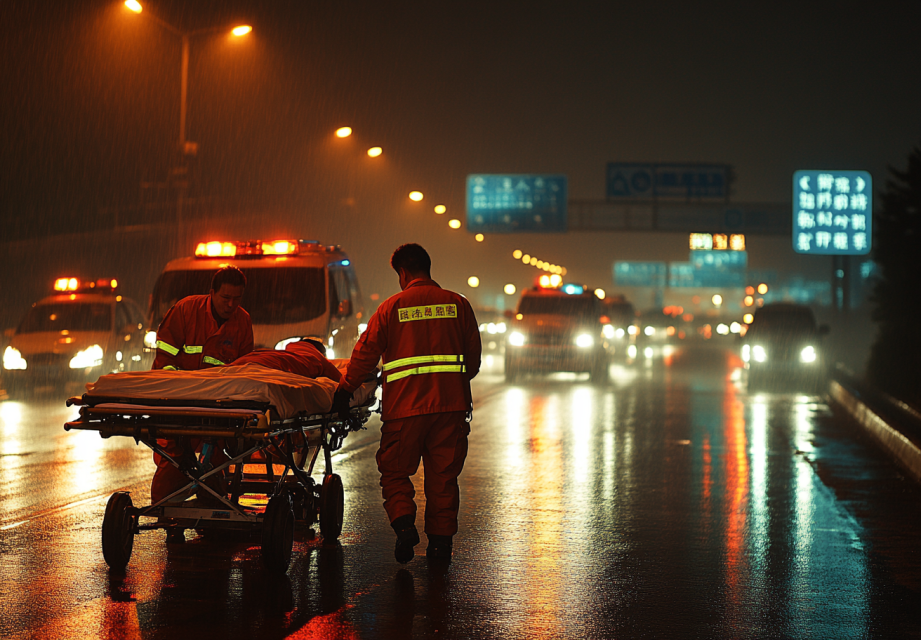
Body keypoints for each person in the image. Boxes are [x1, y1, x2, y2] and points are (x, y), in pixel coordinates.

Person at [332, 243, 481, 563]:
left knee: (395, 471)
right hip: (450, 409)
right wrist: (449, 386)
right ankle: (441, 546)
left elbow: (365, 355)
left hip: (405, 411)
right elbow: (473, 362)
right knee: (443, 479)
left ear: (403, 273)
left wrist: (345, 389)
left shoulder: (391, 308)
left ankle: (404, 527)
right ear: (428, 267)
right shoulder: (458, 304)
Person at [150, 266, 254, 540]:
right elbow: (164, 359)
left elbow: (244, 368)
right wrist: (180, 390)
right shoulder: (185, 312)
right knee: (172, 459)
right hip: (177, 402)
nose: (231, 305)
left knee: (218, 457)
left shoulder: (242, 322)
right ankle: (168, 514)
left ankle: (213, 511)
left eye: (237, 299)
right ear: (212, 293)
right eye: (225, 298)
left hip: (219, 407)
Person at [230, 338, 341, 381]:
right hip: (267, 365)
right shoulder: (315, 357)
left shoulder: (289, 350)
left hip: (251, 359)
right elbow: (342, 381)